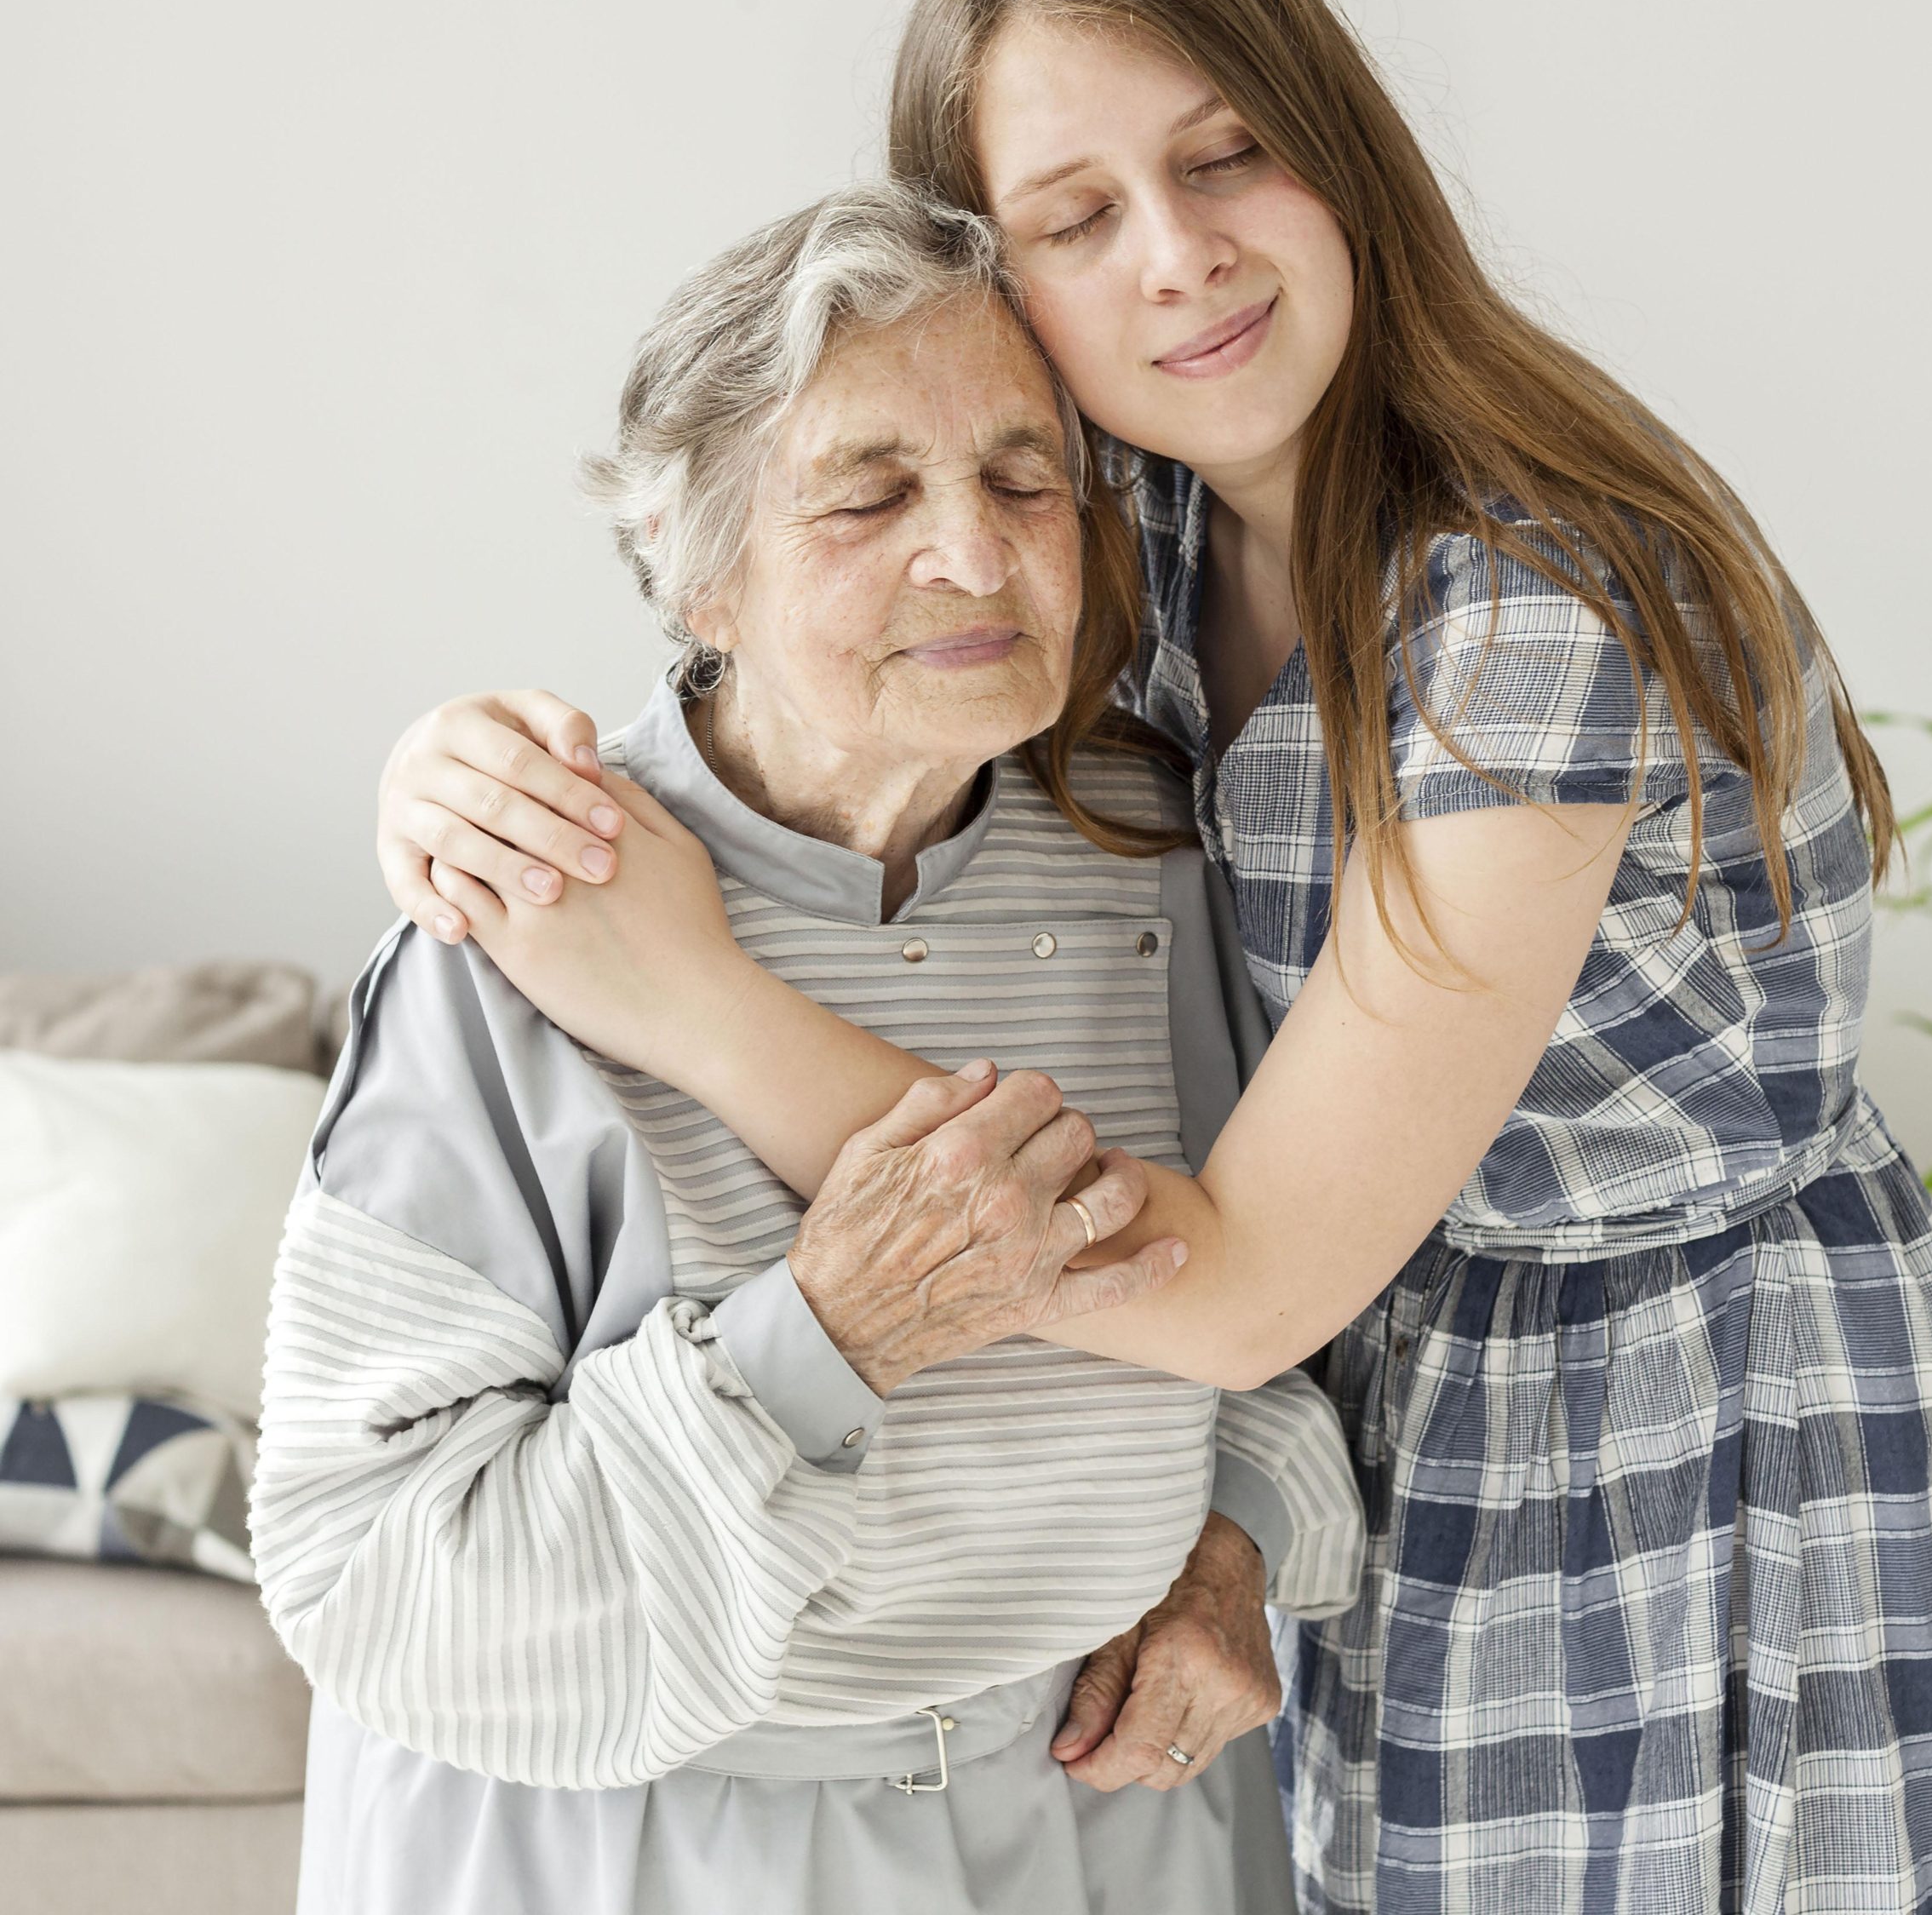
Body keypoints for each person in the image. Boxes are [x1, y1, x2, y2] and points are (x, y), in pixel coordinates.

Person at [371, 0, 1932, 1915]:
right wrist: (458, 772)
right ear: (997, 290)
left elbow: (1253, 1270)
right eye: (1076, 219)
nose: (1176, 255)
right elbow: (788, 641)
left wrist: (683, 998)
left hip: (1729, 1446)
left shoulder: (1522, 613)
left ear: (1336, 151)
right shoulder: (1150, 557)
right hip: (1422, 1430)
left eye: (1224, 157)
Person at [252, 181, 1364, 1915]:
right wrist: (822, 1339)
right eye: (865, 492)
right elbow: (371, 1580)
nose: (977, 554)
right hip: (625, 1844)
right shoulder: (523, 906)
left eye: (1021, 478)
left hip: (1082, 1819)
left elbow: (1275, 1309)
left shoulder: (1159, 850)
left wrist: (1231, 1543)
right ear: (696, 569)